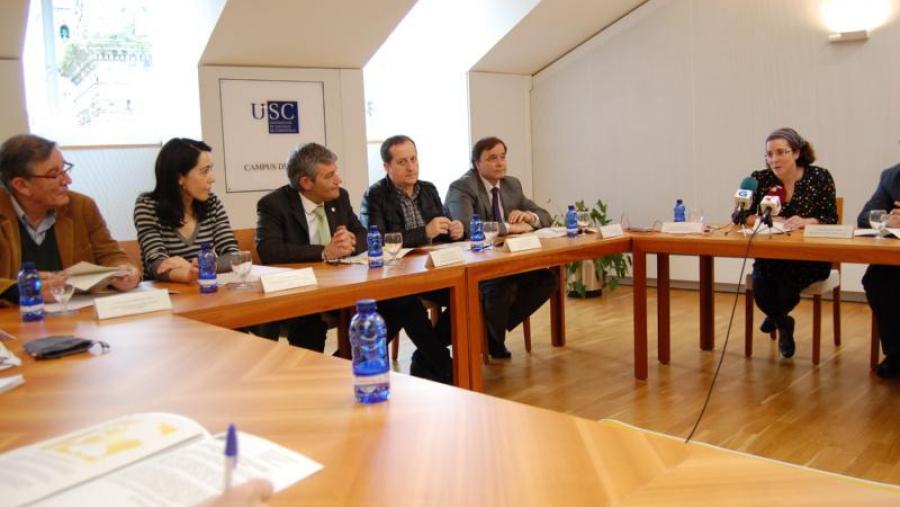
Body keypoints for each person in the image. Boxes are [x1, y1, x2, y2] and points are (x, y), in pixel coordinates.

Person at [256, 142, 452, 383]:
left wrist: (350, 241)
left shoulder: (339, 197)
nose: (338, 179)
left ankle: (337, 370)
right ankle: (311, 384)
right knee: (308, 326)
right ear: (306, 183)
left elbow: (363, 235)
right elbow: (269, 251)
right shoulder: (274, 204)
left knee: (401, 302)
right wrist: (324, 252)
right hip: (302, 291)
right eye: (329, 175)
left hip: (344, 284)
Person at [446, 136, 558, 359]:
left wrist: (530, 216)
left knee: (548, 279)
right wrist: (509, 227)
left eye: (503, 157)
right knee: (501, 286)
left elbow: (546, 216)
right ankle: (493, 338)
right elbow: (468, 226)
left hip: (506, 260)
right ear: (477, 164)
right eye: (492, 158)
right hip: (473, 263)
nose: (500, 163)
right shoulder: (462, 187)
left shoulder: (511, 184)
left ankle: (490, 332)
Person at [360, 135, 461, 378]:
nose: (411, 166)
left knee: (469, 292)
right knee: (405, 302)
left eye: (414, 159)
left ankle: (426, 356)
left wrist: (456, 229)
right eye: (402, 161)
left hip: (431, 270)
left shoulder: (428, 189)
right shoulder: (374, 195)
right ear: (387, 167)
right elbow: (378, 240)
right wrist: (424, 232)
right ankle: (443, 365)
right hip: (396, 276)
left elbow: (442, 229)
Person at [0, 134, 140, 303]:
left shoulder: (81, 206)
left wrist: (125, 270)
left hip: (76, 318)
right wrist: (24, 289)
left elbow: (110, 254)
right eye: (54, 174)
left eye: (64, 169)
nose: (67, 180)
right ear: (21, 185)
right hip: (12, 321)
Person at [738, 128, 837, 359]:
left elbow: (831, 218)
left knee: (783, 287)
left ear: (796, 152)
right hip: (772, 256)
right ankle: (783, 322)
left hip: (810, 258)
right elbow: (740, 215)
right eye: (769, 154)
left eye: (781, 152)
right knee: (761, 288)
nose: (774, 159)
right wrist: (766, 219)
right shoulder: (759, 179)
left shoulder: (820, 177)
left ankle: (776, 319)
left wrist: (806, 221)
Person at [134, 138, 239, 281]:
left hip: (203, 290)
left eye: (211, 170)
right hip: (166, 295)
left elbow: (233, 255)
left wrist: (199, 267)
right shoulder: (147, 206)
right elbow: (157, 264)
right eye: (204, 171)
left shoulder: (212, 203)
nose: (212, 178)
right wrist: (190, 273)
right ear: (179, 177)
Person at [857, 163, 900, 378]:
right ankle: (896, 354)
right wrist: (887, 220)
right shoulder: (892, 176)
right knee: (876, 279)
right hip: (896, 260)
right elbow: (865, 217)